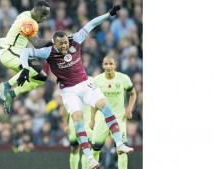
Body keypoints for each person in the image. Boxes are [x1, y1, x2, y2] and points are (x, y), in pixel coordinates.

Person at [17, 5, 133, 169]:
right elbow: (25, 52)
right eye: (60, 44)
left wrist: (108, 14)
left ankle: (119, 144)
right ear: (55, 44)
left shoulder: (76, 39)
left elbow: (91, 24)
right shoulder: (48, 51)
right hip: (69, 91)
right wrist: (24, 68)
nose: (64, 46)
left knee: (106, 107)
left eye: (65, 42)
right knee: (78, 120)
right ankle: (90, 159)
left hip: (85, 84)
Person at [0, 0, 52, 113]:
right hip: (9, 52)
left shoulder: (27, 15)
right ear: (36, 10)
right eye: (43, 14)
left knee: (42, 77)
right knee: (35, 68)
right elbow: (36, 43)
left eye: (47, 15)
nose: (45, 18)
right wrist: (54, 41)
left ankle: (12, 94)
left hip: (18, 53)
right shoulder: (27, 22)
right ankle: (6, 85)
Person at [89, 56, 137, 169]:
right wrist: (92, 120)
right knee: (95, 148)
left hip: (118, 118)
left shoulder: (124, 78)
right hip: (102, 118)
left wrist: (129, 109)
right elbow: (92, 101)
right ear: (102, 65)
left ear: (115, 65)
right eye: (106, 64)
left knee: (122, 149)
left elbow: (133, 93)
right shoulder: (96, 80)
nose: (108, 66)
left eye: (111, 64)